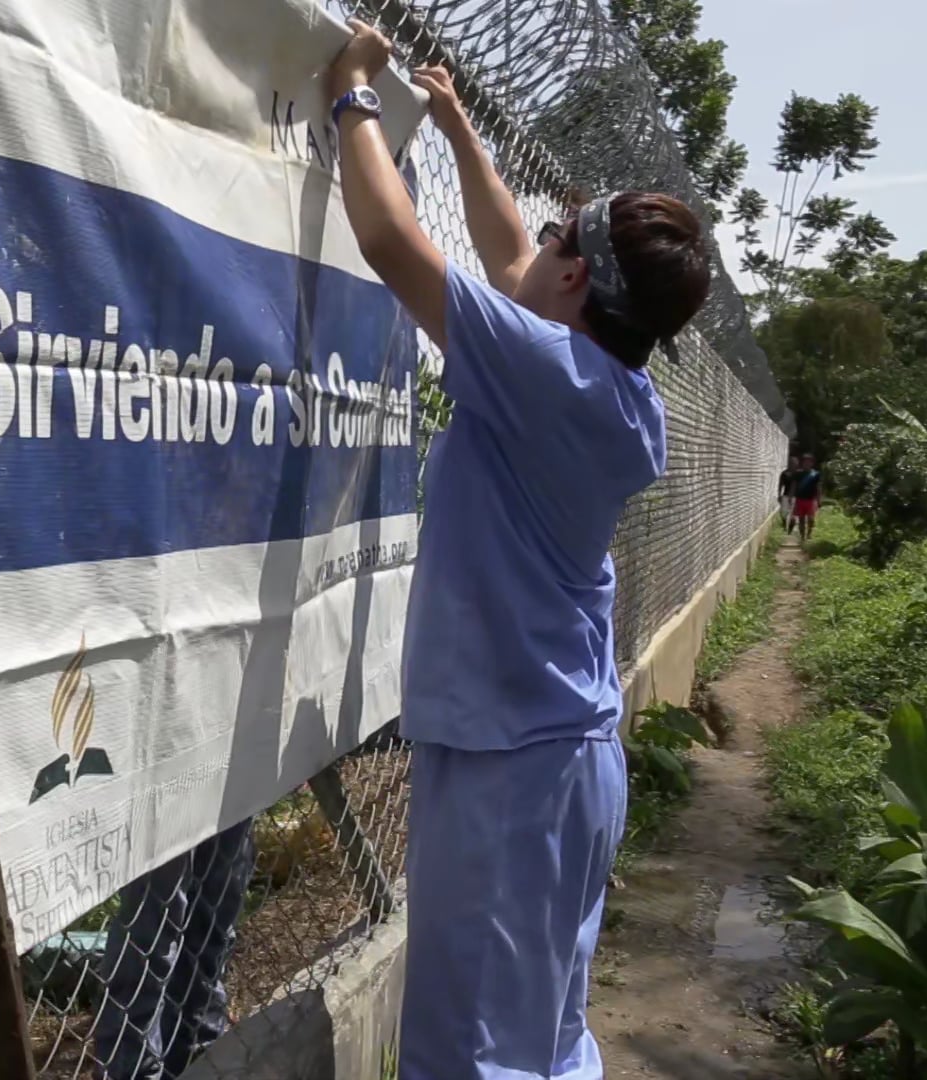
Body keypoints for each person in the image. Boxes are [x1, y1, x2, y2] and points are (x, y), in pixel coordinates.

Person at [326, 25, 709, 1079]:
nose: (530, 249)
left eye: (555, 239)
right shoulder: (618, 394)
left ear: (577, 278)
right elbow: (513, 261)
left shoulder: (546, 373)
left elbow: (397, 247)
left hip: (510, 772)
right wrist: (457, 131)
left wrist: (350, 95)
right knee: (546, 1033)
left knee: (474, 1057)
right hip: (562, 757)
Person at [92, 819, 255, 1080]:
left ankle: (201, 1059)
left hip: (234, 784)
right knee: (152, 927)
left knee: (213, 925)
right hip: (160, 791)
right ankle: (133, 1070)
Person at [791, 453, 823, 542]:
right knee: (801, 519)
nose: (807, 464)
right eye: (805, 462)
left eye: (809, 462)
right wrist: (791, 496)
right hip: (800, 499)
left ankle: (809, 533)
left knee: (811, 519)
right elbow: (793, 485)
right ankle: (802, 536)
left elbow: (818, 487)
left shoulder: (816, 474)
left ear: (812, 463)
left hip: (811, 500)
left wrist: (819, 499)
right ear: (802, 463)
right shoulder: (798, 474)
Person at [778, 455, 800, 533]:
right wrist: (779, 495)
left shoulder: (799, 474)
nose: (792, 464)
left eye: (794, 463)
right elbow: (780, 485)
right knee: (783, 513)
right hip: (785, 495)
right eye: (791, 463)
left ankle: (790, 527)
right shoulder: (784, 473)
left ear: (797, 464)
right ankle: (784, 523)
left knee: (793, 514)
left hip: (795, 497)